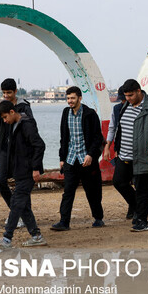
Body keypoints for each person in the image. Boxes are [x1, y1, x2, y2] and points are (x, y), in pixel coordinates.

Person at [112, 79, 148, 232]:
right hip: (124, 156)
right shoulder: (125, 106)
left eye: (130, 95)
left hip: (144, 156)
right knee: (118, 182)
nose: (128, 99)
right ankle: (137, 207)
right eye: (126, 96)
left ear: (139, 91)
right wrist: (115, 147)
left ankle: (142, 221)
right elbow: (120, 129)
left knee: (143, 189)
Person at [0, 100, 47, 248]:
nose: (4, 121)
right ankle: (36, 236)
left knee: (16, 203)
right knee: (23, 206)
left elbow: (40, 145)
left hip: (28, 171)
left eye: (5, 117)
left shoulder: (27, 124)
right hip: (19, 170)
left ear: (12, 112)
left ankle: (6, 239)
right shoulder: (13, 125)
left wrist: (35, 168)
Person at [51, 86, 105, 231]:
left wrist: (91, 155)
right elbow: (64, 137)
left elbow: (97, 138)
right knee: (68, 191)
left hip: (86, 160)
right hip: (70, 159)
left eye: (73, 98)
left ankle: (98, 218)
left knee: (92, 190)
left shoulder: (89, 114)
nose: (70, 101)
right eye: (68, 98)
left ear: (80, 98)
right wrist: (62, 158)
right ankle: (64, 222)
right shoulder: (65, 112)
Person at [0, 78, 34, 228]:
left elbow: (31, 128)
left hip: (20, 152)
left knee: (22, 184)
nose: (6, 95)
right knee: (0, 181)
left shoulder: (24, 107)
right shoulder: (2, 107)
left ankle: (25, 218)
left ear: (15, 91)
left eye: (9, 92)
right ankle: (17, 213)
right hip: (4, 149)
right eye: (4, 93)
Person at [103, 84, 134, 220]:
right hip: (121, 151)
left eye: (126, 99)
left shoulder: (138, 108)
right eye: (122, 99)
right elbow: (112, 128)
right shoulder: (117, 109)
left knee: (138, 182)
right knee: (119, 181)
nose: (124, 102)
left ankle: (136, 209)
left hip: (139, 152)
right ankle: (134, 204)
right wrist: (107, 146)